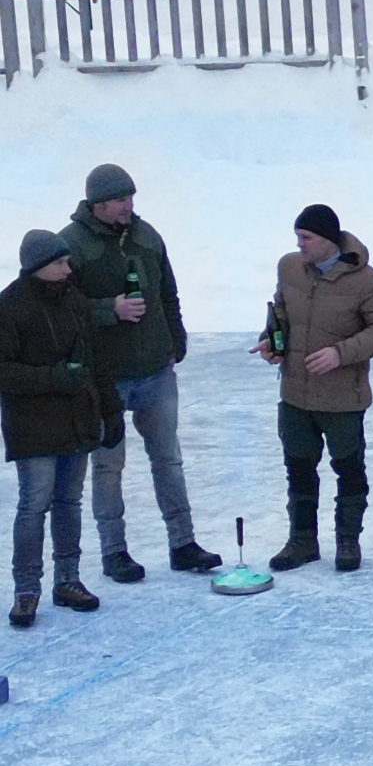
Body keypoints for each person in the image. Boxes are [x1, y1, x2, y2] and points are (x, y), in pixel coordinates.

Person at [59, 164, 219, 583]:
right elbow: (61, 308)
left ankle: (183, 543)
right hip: (106, 377)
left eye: (130, 197)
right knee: (108, 468)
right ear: (97, 204)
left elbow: (168, 292)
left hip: (155, 370)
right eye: (120, 199)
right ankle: (114, 552)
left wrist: (176, 340)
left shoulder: (147, 236)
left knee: (169, 459)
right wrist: (108, 310)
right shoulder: (71, 244)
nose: (128, 205)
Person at [253, 205, 373, 574]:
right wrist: (272, 341)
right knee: (299, 469)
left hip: (342, 398)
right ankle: (302, 540)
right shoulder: (290, 268)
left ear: (328, 240)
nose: (299, 244)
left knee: (349, 469)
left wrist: (340, 353)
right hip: (295, 394)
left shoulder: (366, 280)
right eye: (297, 237)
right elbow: (281, 313)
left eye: (306, 238)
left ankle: (348, 540)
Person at [0, 231, 121, 627]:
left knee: (69, 502)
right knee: (34, 505)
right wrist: (54, 377)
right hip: (33, 426)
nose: (68, 269)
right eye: (59, 263)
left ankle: (68, 579)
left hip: (77, 419)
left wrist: (110, 409)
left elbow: (96, 359)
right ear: (38, 266)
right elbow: (4, 371)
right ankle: (26, 590)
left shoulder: (74, 301)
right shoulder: (10, 306)